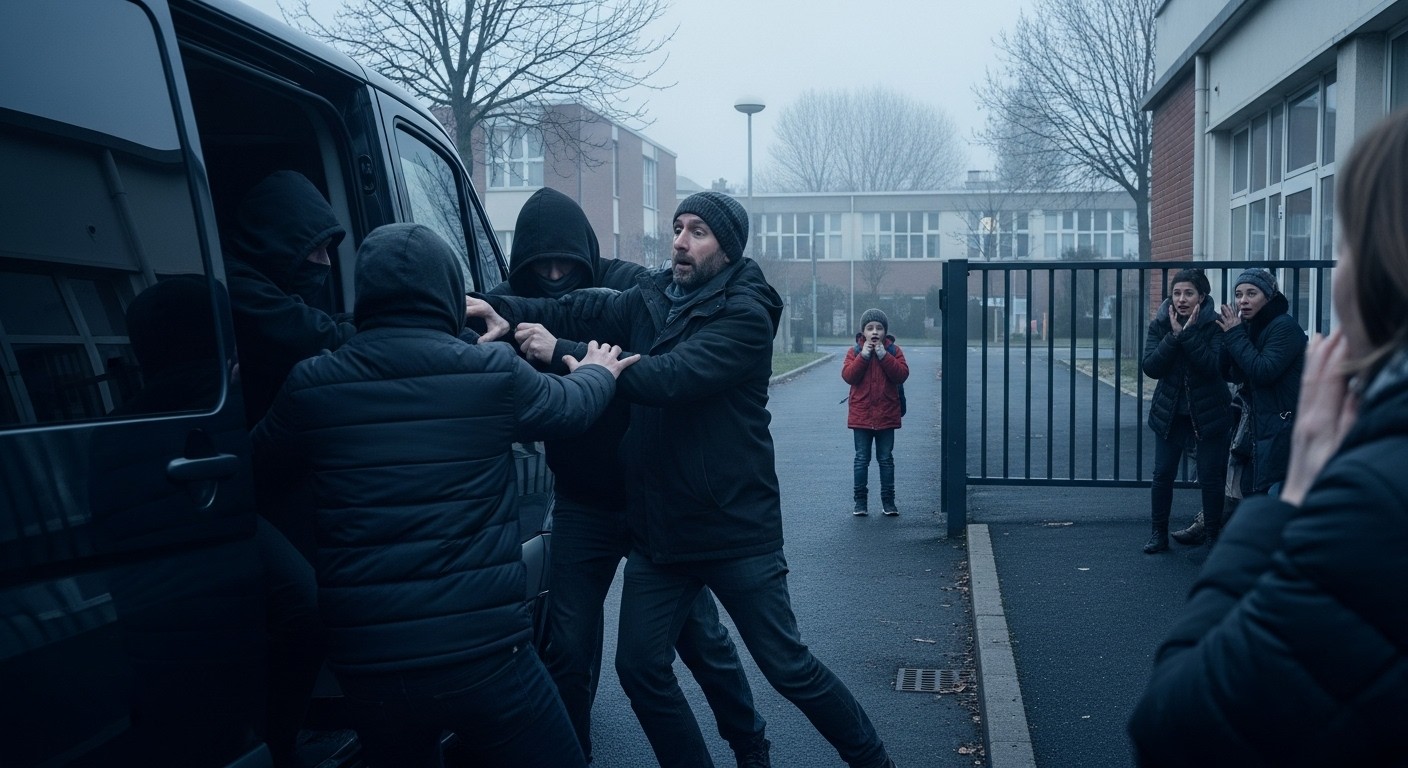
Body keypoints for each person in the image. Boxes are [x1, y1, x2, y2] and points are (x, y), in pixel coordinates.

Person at [469, 191, 895, 768]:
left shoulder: (745, 315)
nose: (680, 241)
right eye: (678, 228)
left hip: (729, 525)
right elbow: (579, 309)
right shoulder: (652, 296)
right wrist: (503, 314)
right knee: (639, 667)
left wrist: (568, 353)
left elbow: (668, 378)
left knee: (787, 667)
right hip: (661, 527)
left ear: (728, 247)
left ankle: (871, 759)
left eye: (697, 231)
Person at [252, 222, 637, 768]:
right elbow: (568, 409)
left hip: (370, 667)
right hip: (486, 656)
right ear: (447, 291)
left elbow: (253, 473)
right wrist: (598, 372)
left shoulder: (312, 383)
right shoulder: (488, 371)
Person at [1127, 108, 1408, 767]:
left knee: (1230, 488)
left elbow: (1174, 731)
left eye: (1347, 247)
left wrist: (1295, 498)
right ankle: (1170, 532)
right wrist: (1186, 336)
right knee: (1172, 479)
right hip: (1188, 419)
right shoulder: (1184, 324)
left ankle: (1215, 532)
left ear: (1380, 271)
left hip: (1249, 427)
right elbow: (1160, 365)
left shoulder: (1374, 495)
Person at [491, 188, 770, 766]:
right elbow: (510, 307)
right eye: (540, 268)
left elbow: (648, 350)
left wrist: (568, 350)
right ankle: (575, 755)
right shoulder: (519, 303)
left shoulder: (635, 288)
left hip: (655, 505)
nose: (555, 277)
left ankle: (749, 745)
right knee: (567, 648)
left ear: (588, 255)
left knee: (704, 646)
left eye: (566, 263)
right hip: (581, 504)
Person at [1139, 268, 1232, 553]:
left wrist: (1187, 335)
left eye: (1188, 293)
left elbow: (1214, 367)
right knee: (1162, 474)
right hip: (1169, 412)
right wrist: (1173, 337)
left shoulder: (1215, 325)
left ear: (1201, 297)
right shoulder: (1160, 323)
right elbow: (1151, 366)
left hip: (1208, 412)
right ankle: (1158, 534)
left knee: (1210, 476)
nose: (1181, 299)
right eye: (1177, 293)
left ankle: (1212, 537)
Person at [841, 308, 910, 516]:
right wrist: (863, 356)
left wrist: (882, 356)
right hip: (861, 416)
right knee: (861, 459)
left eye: (879, 328)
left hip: (886, 415)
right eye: (870, 328)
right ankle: (860, 502)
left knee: (886, 459)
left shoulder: (894, 351)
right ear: (863, 332)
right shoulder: (854, 352)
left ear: (885, 331)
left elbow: (901, 375)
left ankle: (888, 501)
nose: (874, 332)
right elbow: (848, 376)